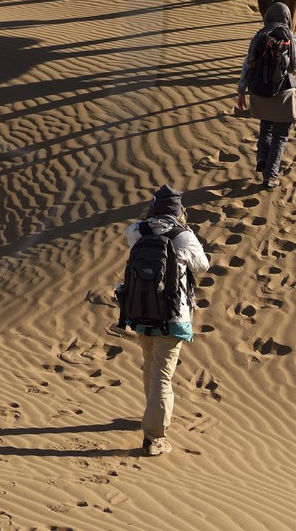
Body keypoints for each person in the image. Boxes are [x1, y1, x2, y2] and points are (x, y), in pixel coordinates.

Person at [117, 184, 209, 457]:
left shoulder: (136, 230)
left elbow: (130, 235)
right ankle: (154, 436)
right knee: (162, 376)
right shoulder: (183, 236)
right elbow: (202, 266)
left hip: (140, 312)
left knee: (150, 366)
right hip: (172, 316)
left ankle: (151, 415)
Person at [236, 2, 296, 189]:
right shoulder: (293, 39)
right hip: (284, 92)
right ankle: (271, 176)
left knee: (266, 126)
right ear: (287, 18)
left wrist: (241, 90)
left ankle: (263, 158)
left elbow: (247, 66)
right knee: (280, 135)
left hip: (259, 92)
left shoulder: (258, 38)